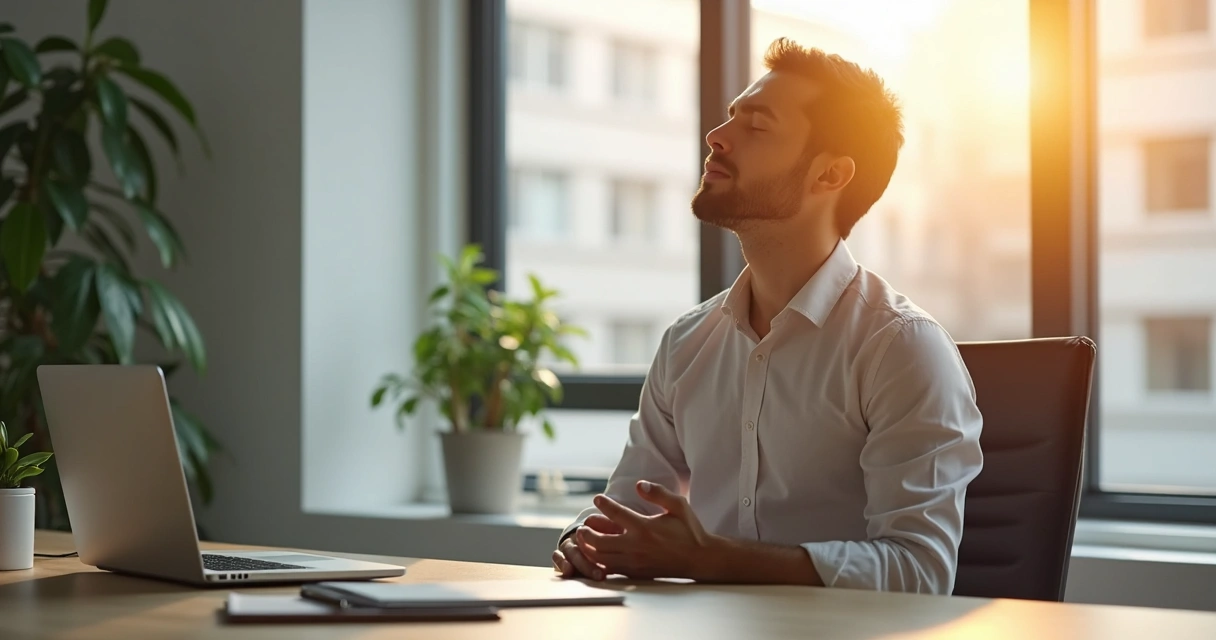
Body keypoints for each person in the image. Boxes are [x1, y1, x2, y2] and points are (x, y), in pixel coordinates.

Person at [550, 38, 984, 594]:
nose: (716, 136)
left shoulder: (902, 348)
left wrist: (715, 560)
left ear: (830, 175)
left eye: (756, 126)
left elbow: (919, 572)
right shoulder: (686, 343)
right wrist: (585, 540)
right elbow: (628, 509)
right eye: (731, 117)